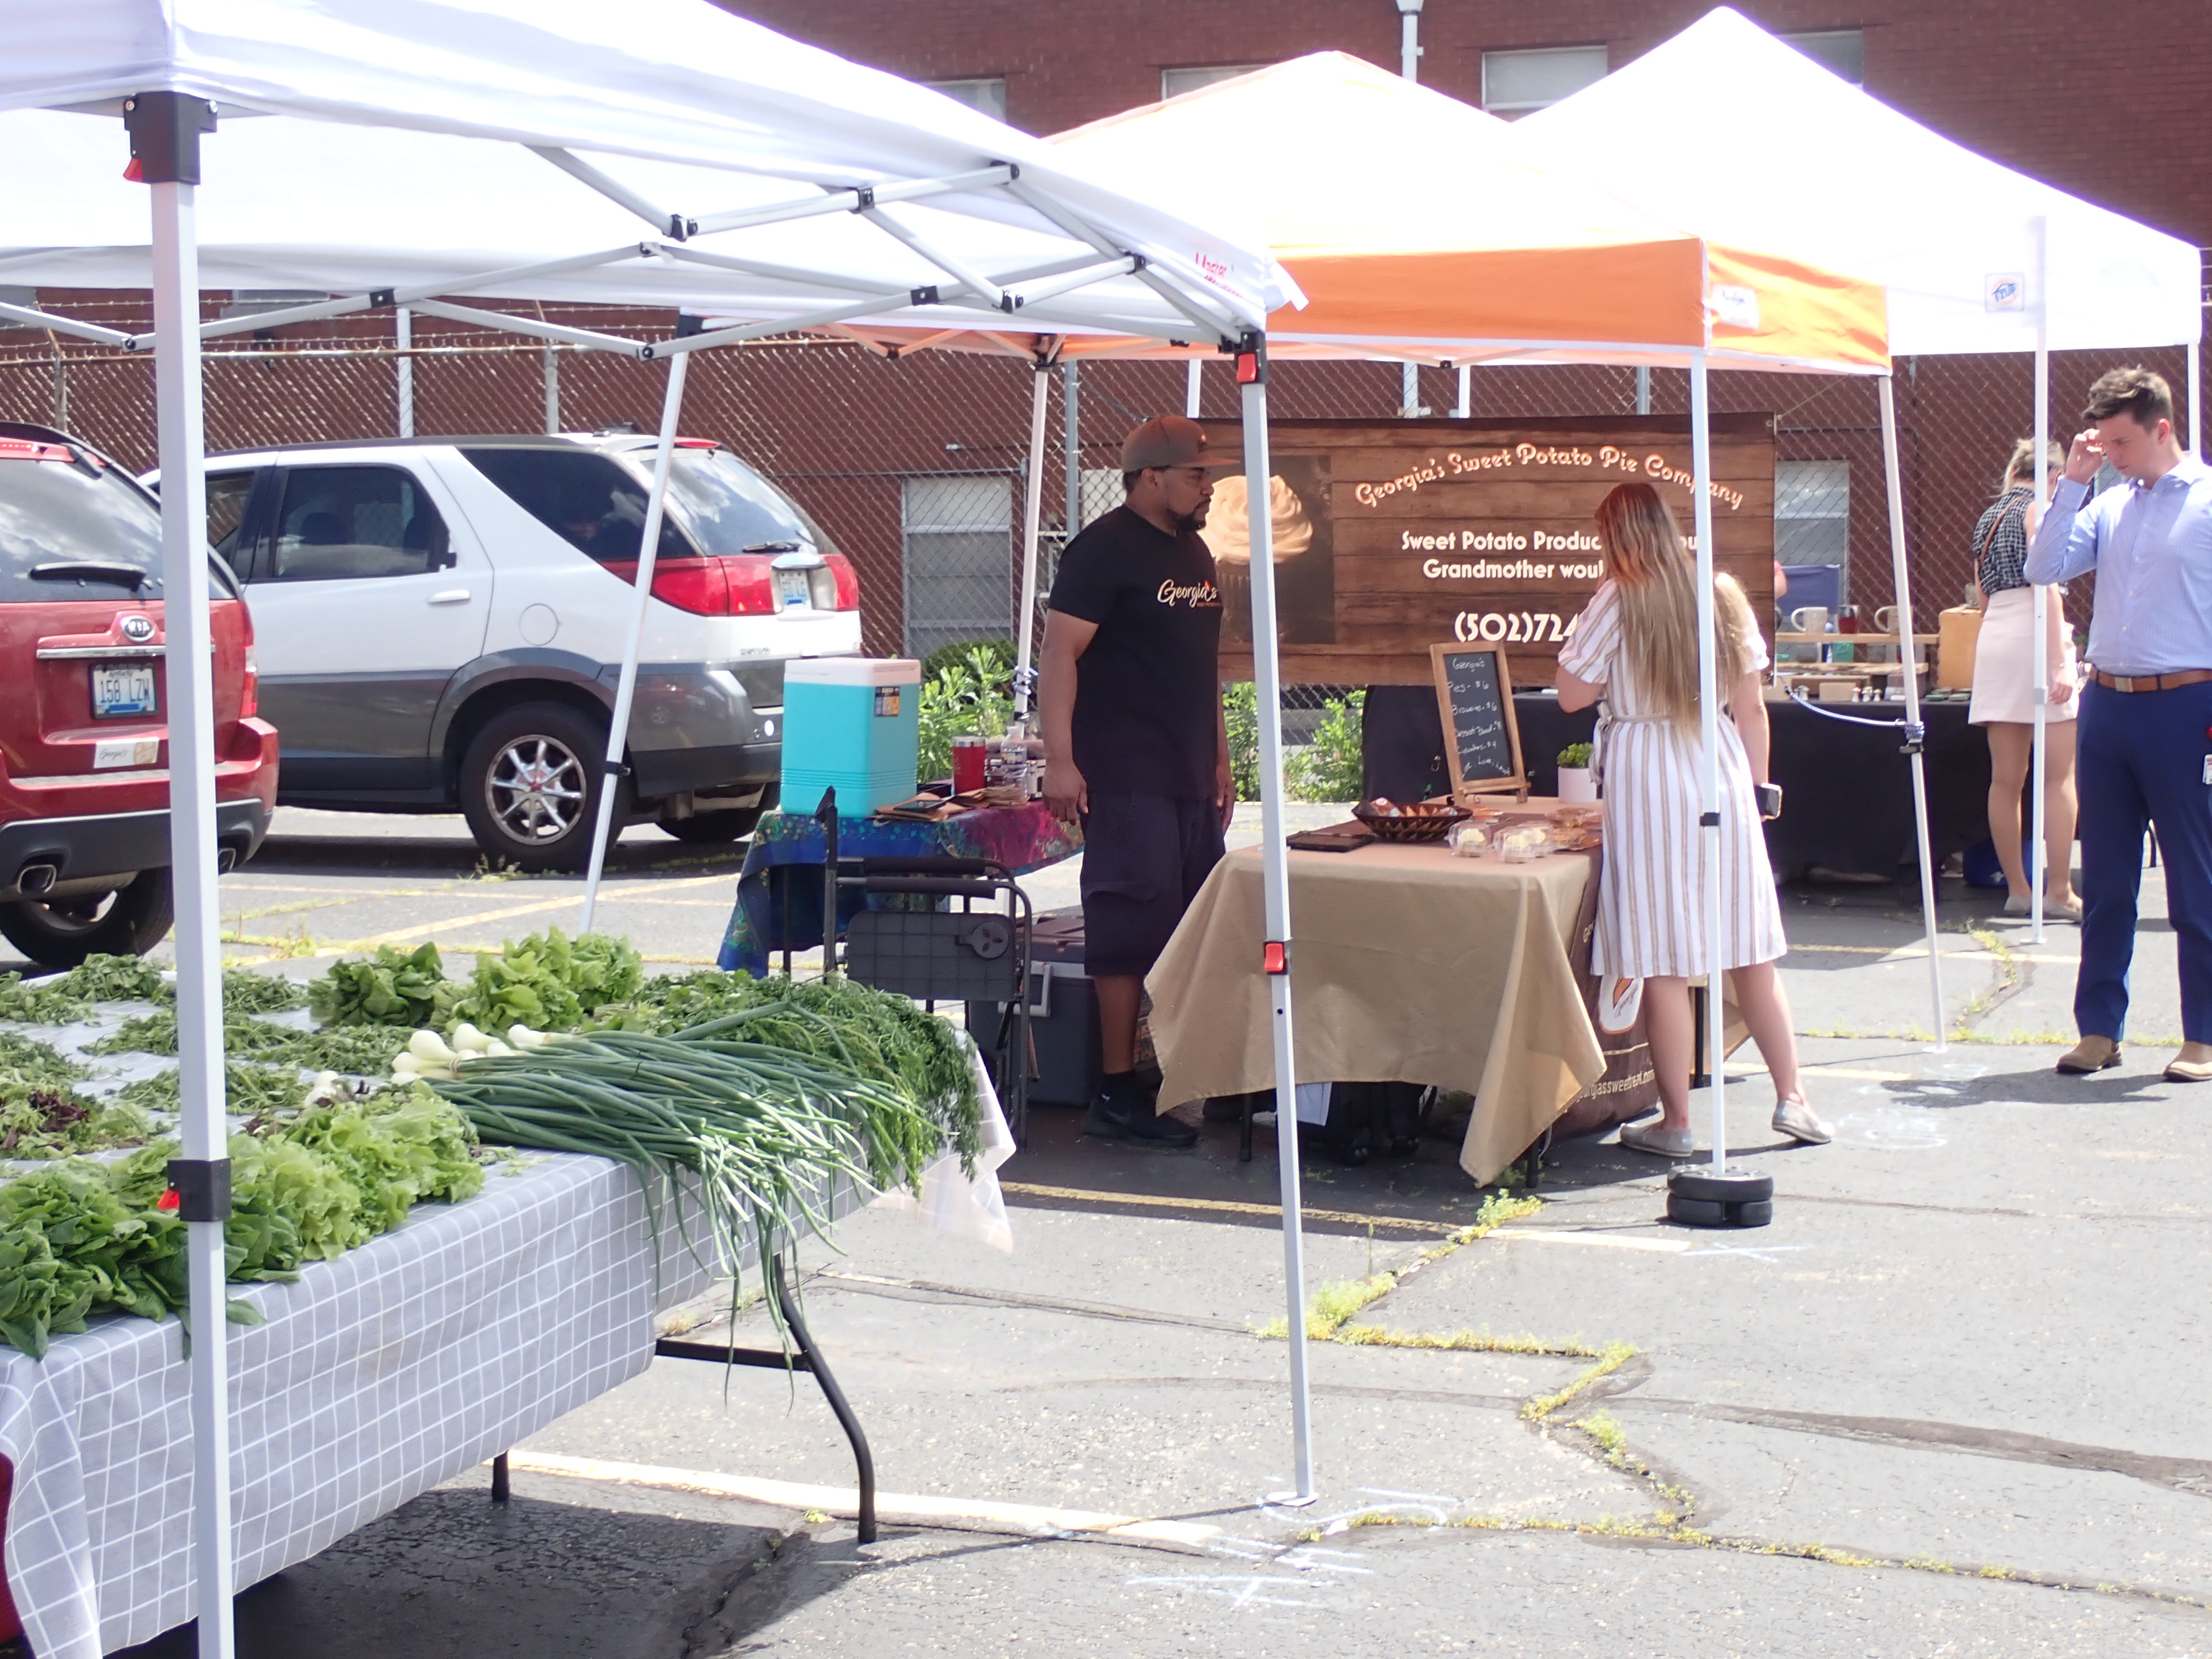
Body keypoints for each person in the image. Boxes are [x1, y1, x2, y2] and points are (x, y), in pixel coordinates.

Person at [1555, 482, 1831, 1154]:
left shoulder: (1618, 597)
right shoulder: (1720, 593)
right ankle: (1792, 1098)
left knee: (1661, 958)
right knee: (1751, 952)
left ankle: (1677, 1122)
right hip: (1721, 768)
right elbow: (1753, 708)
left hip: (1646, 773)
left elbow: (1570, 695)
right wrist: (1763, 791)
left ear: (1613, 536)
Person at [1039, 415, 1238, 1146]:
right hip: (1125, 775)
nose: (1206, 487)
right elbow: (1060, 656)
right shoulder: (1102, 551)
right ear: (1151, 477)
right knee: (1128, 926)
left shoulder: (1195, 553)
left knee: (1195, 929)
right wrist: (1060, 760)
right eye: (1195, 475)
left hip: (1187, 775)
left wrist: (1219, 759)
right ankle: (1116, 1089)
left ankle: (1187, 1071)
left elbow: (1203, 668)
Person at [2024, 367, 2212, 1082]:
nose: (2115, 454)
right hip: (2109, 700)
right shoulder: (2111, 503)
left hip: (2188, 702)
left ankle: (2203, 1035)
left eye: (2123, 441)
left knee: (2197, 877)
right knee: (2105, 877)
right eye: (2103, 441)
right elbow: (2044, 569)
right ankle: (2100, 1027)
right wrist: (2073, 483)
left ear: (2164, 428)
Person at [1969, 439, 2081, 921]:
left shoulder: (1986, 519)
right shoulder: (2040, 511)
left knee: (2005, 780)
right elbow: (2048, 587)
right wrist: (2060, 663)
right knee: (2058, 776)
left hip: (1995, 637)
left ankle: (2017, 886)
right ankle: (2058, 889)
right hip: (2035, 632)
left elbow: (1983, 599)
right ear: (2054, 477)